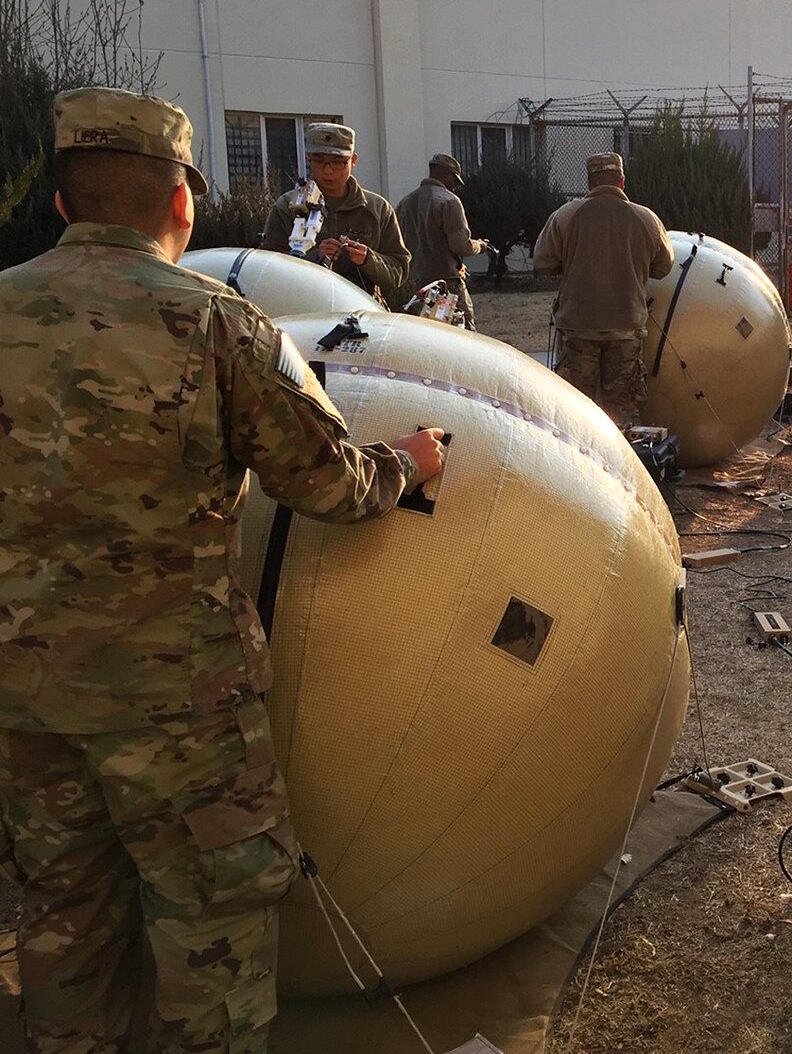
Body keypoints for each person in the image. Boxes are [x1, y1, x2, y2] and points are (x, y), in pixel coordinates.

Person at [0, 87, 447, 1053]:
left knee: (63, 916)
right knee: (211, 928)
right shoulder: (220, 325)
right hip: (181, 708)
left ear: (63, 204)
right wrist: (411, 459)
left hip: (24, 699)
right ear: (182, 206)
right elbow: (331, 486)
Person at [531, 151, 674, 426]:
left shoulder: (566, 215)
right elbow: (663, 266)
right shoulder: (646, 219)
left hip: (577, 327)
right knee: (623, 409)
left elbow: (543, 262)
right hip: (626, 329)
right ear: (622, 181)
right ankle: (622, 463)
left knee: (574, 409)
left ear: (589, 183)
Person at [260, 122, 412, 307]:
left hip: (361, 314)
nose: (328, 170)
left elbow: (398, 272)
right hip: (303, 312)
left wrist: (367, 260)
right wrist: (314, 258)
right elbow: (267, 270)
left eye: (338, 162)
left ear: (353, 160)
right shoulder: (287, 207)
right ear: (308, 158)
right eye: (319, 161)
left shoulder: (377, 209)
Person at [397, 152, 485, 329]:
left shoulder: (405, 202)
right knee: (465, 333)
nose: (455, 187)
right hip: (446, 284)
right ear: (446, 175)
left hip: (413, 285)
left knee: (422, 334)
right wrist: (481, 246)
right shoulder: (449, 201)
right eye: (455, 181)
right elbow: (461, 245)